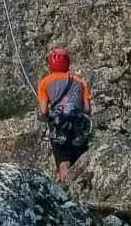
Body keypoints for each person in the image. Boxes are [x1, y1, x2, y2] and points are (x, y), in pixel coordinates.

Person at [37, 47, 92, 185]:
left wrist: (50, 113)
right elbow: (87, 109)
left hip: (59, 125)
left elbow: (44, 111)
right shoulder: (80, 81)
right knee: (80, 159)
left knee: (63, 161)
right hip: (79, 124)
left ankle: (68, 190)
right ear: (67, 63)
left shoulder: (45, 82)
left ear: (50, 64)